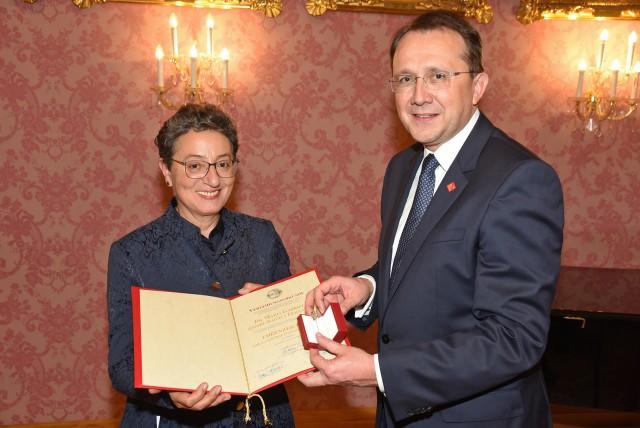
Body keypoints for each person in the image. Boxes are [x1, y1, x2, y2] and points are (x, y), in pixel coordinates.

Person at [299, 10, 564, 428]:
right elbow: (422, 270)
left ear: (478, 86)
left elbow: (514, 339)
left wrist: (378, 372)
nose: (419, 95)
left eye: (438, 76)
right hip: (400, 415)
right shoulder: (403, 169)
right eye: (405, 79)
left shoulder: (520, 179)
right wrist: (366, 287)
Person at [107, 103, 295, 427]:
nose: (212, 178)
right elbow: (122, 364)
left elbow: (295, 337)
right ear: (167, 171)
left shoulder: (263, 237)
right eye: (195, 165)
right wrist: (168, 395)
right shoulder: (132, 253)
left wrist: (277, 315)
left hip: (258, 417)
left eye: (222, 163)